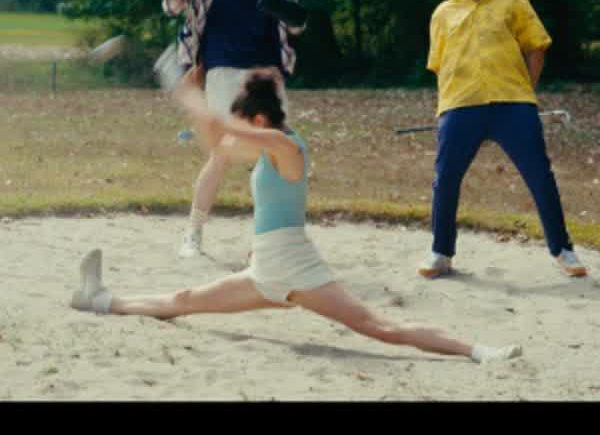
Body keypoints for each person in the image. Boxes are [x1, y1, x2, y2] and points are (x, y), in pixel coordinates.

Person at [71, 69, 522, 364]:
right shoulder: (266, 145)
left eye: (247, 120)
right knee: (185, 299)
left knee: (380, 328)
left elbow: (225, 130)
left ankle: (477, 350)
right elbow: (219, 143)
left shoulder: (287, 147)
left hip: (295, 268)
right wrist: (194, 104)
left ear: (259, 119)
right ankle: (99, 299)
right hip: (265, 269)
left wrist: (190, 95)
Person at [419, 0, 587, 279]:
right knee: (445, 178)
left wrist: (527, 91)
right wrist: (445, 110)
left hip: (513, 105)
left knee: (540, 175)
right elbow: (440, 65)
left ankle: (563, 250)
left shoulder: (513, 1)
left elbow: (537, 46)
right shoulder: (443, 13)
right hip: (460, 106)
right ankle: (441, 253)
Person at [162, 0, 305, 258]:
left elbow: (297, 26)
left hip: (266, 74)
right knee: (223, 151)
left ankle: (268, 241)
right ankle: (193, 232)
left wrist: (292, 4)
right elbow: (171, 5)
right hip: (223, 70)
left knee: (273, 153)